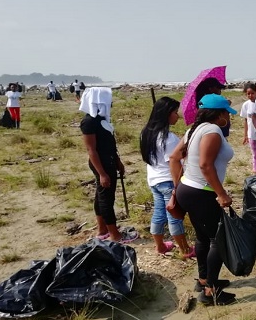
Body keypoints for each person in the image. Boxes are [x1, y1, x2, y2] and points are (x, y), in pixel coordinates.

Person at [169, 93, 237, 306]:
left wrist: (178, 187)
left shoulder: (193, 130)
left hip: (188, 189)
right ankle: (210, 292)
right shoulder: (212, 131)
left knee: (202, 238)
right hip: (202, 192)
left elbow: (174, 158)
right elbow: (206, 165)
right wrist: (221, 194)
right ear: (219, 114)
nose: (229, 117)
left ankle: (203, 280)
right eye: (227, 113)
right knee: (218, 239)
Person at [80, 87, 139, 244]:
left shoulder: (102, 119)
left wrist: (118, 160)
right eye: (108, 100)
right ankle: (115, 235)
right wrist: (102, 173)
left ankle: (103, 230)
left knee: (101, 196)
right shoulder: (89, 122)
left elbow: (110, 144)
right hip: (101, 164)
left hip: (110, 161)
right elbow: (91, 150)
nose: (111, 103)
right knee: (107, 198)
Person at [140, 96, 194, 257]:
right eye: (175, 112)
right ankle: (185, 249)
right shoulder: (168, 138)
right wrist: (178, 185)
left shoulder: (146, 133)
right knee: (174, 215)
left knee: (159, 212)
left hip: (154, 179)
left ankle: (160, 246)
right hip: (168, 180)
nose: (178, 116)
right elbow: (174, 162)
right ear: (166, 114)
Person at [240, 82, 256, 175]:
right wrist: (245, 135)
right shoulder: (246, 105)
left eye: (252, 93)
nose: (250, 95)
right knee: (255, 154)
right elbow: (246, 120)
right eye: (248, 94)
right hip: (251, 134)